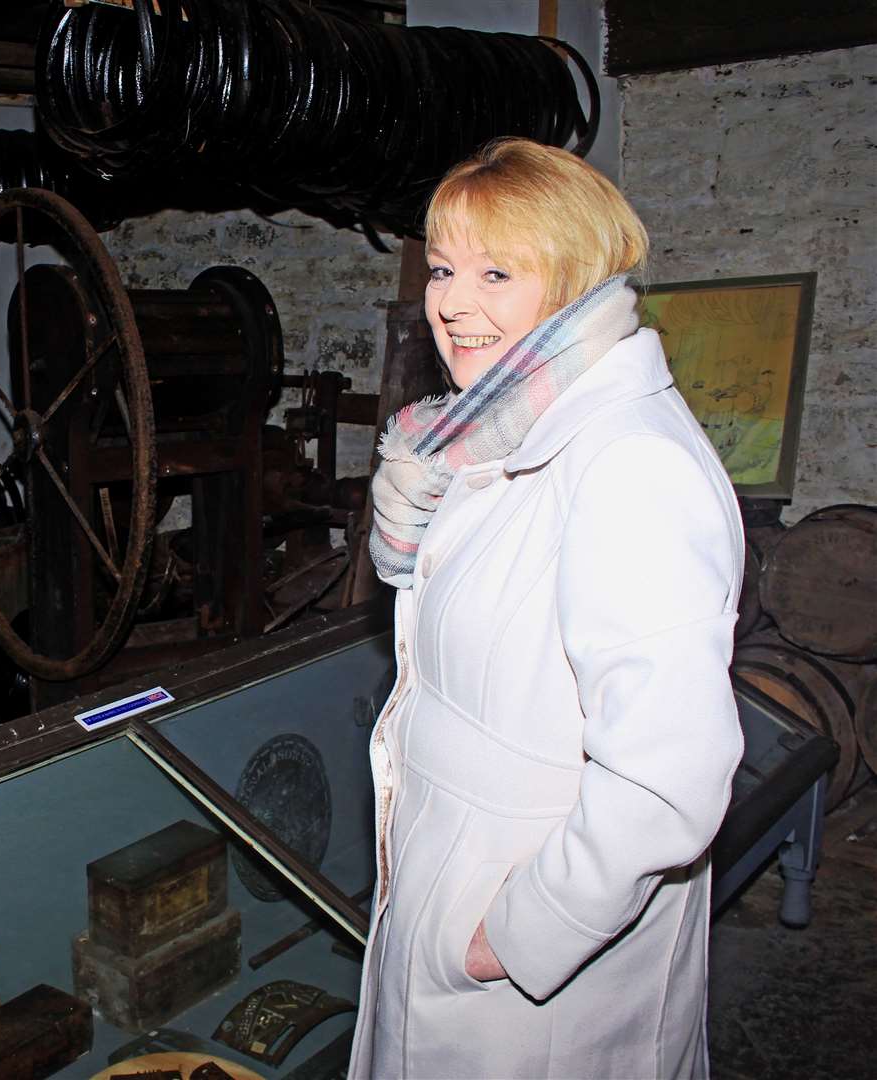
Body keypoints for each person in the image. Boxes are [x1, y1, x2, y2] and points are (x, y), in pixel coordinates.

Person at [350, 138, 743, 1078]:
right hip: (458, 878)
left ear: (572, 281)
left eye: (495, 271)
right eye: (443, 268)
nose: (450, 301)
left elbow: (668, 776)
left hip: (531, 958)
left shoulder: (628, 464)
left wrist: (521, 936)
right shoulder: (510, 435)